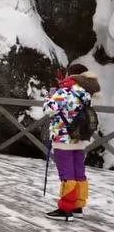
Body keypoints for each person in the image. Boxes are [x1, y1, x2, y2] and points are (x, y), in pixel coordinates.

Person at [43, 64, 100, 222]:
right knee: (78, 171)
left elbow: (49, 109)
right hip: (79, 137)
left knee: (67, 173)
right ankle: (77, 207)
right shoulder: (87, 93)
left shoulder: (66, 91)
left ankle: (66, 209)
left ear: (70, 75)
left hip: (64, 138)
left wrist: (50, 97)